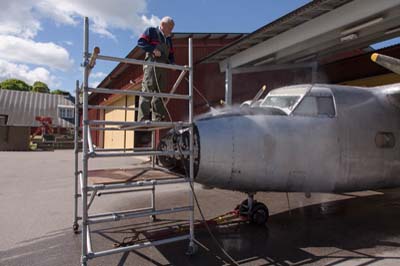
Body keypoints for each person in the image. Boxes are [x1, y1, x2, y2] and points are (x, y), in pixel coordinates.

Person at [137, 16, 175, 122]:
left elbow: (171, 54)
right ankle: (143, 118)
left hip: (163, 67)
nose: (171, 31)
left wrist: (172, 64)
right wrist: (153, 49)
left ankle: (158, 117)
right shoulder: (151, 31)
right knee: (148, 90)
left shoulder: (168, 39)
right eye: (170, 28)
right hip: (151, 64)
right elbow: (140, 42)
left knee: (160, 93)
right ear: (163, 25)